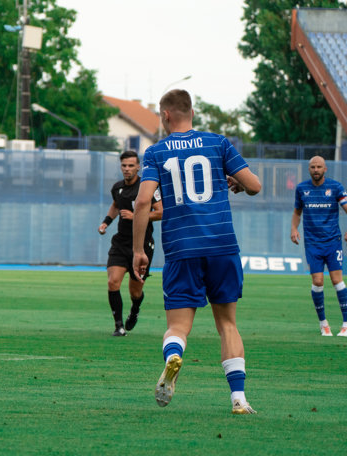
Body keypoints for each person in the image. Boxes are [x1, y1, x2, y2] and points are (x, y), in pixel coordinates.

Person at [132, 89, 262, 415]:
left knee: (178, 328)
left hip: (181, 248)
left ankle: (174, 356)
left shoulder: (156, 152)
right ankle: (239, 398)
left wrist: (138, 250)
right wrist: (236, 182)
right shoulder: (218, 143)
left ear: (165, 115)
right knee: (227, 324)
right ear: (192, 112)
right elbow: (254, 185)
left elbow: (144, 201)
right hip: (221, 245)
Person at [98, 150, 163, 336]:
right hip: (120, 243)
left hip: (142, 245)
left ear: (138, 167)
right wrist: (106, 222)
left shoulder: (148, 187)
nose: (127, 169)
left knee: (135, 292)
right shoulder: (117, 188)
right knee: (113, 282)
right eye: (124, 165)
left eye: (131, 165)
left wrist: (137, 216)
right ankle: (118, 326)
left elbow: (161, 212)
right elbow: (115, 205)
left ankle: (135, 310)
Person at [291, 155, 347, 336]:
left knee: (337, 280)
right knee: (317, 281)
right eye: (313, 167)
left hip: (333, 242)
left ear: (325, 169)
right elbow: (297, 212)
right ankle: (323, 324)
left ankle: (346, 323)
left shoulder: (336, 187)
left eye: (319, 167)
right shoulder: (301, 188)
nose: (316, 170)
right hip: (312, 243)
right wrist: (294, 228)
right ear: (309, 169)